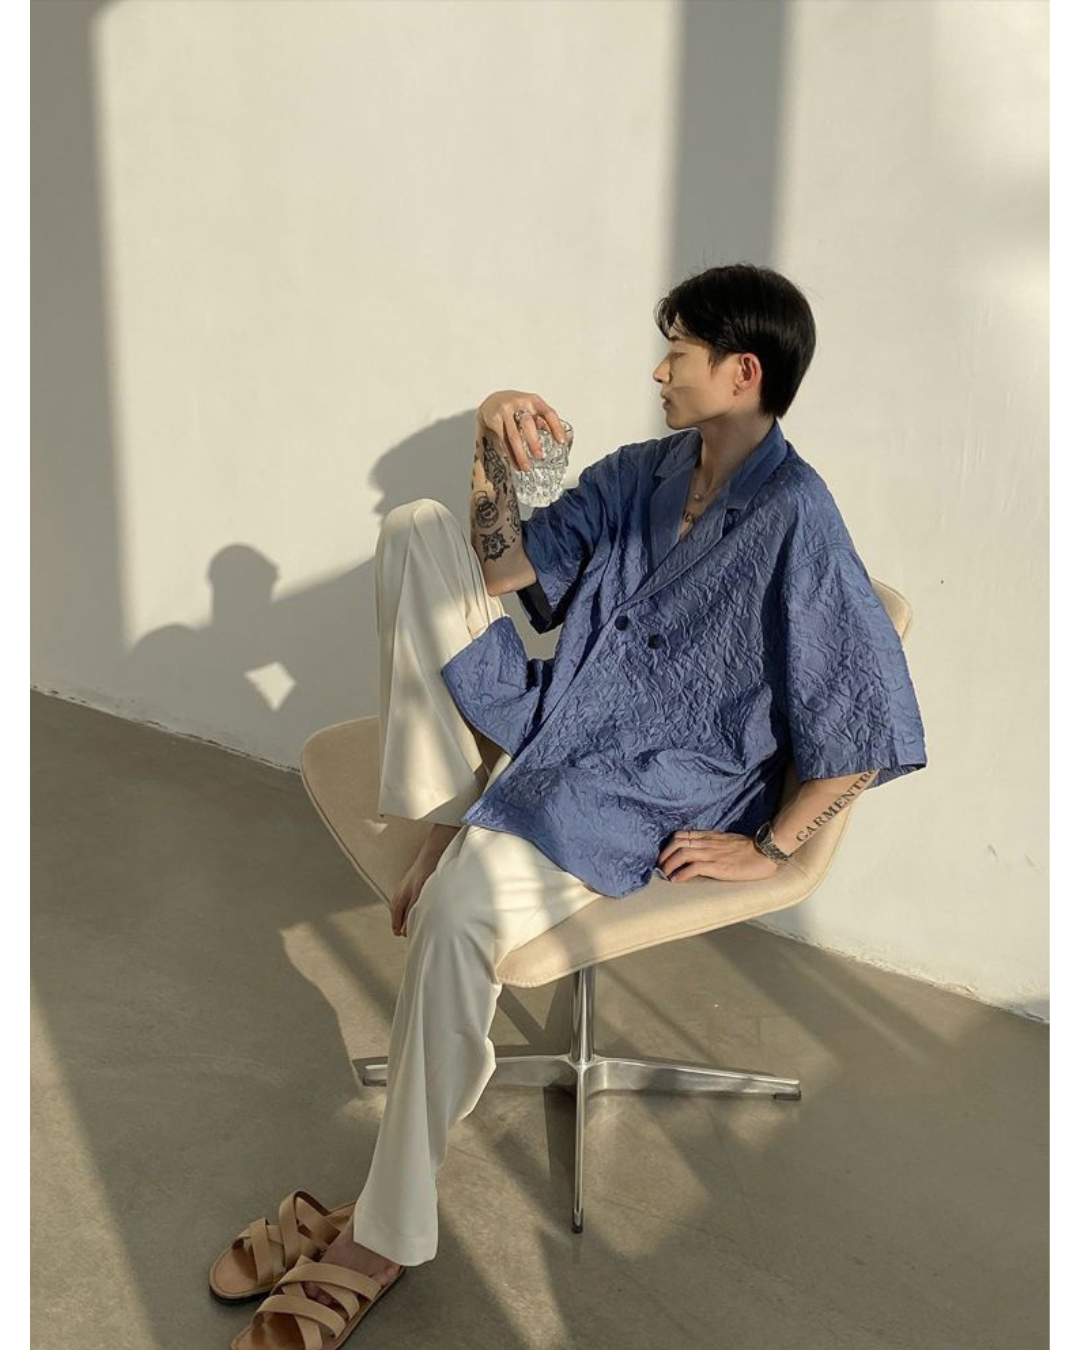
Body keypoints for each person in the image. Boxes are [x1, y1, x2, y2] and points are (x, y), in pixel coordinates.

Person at [241, 263, 927, 1341]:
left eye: (679, 353)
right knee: (417, 526)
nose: (658, 372)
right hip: (547, 727)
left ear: (742, 372)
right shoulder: (646, 472)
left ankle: (381, 1231)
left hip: (637, 792)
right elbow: (503, 571)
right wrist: (487, 442)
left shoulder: (798, 515)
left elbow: (865, 706)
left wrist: (776, 846)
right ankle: (449, 815)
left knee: (457, 917)